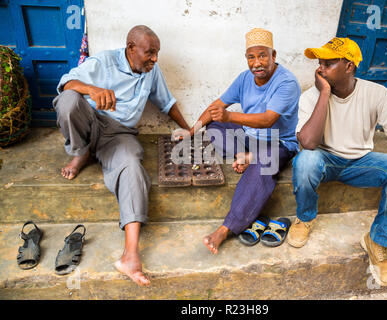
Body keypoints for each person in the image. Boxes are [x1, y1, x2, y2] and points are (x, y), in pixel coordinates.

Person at [288, 37, 387, 286]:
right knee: (305, 160)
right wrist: (324, 93)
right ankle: (305, 216)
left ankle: (378, 241)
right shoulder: (311, 97)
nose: (320, 68)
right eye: (320, 63)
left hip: (361, 163)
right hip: (324, 159)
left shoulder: (377, 94)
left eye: (329, 63)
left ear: (349, 66)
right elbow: (309, 143)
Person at [53, 25, 191, 286]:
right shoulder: (104, 62)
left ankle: (130, 255)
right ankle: (81, 152)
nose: (154, 58)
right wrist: (91, 91)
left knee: (132, 166)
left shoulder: (151, 72)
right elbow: (66, 83)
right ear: (131, 48)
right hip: (91, 121)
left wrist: (188, 128)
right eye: (150, 52)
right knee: (68, 101)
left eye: (157, 53)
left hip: (119, 136)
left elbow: (167, 102)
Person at [190, 28, 301, 254]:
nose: (257, 62)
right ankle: (247, 155)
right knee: (213, 126)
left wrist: (230, 116)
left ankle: (225, 228)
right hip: (250, 137)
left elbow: (269, 120)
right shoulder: (244, 78)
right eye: (251, 57)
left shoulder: (286, 82)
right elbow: (217, 106)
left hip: (278, 143)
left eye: (262, 55)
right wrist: (191, 131)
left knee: (264, 165)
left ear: (274, 55)